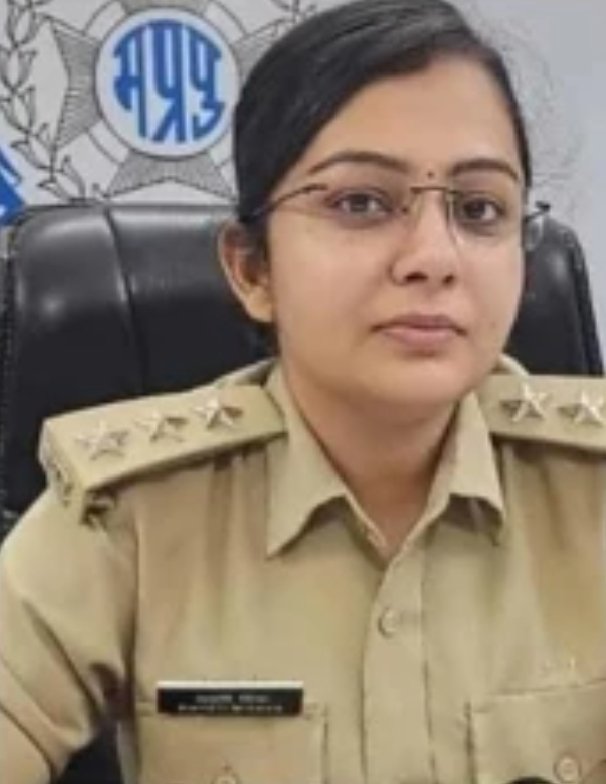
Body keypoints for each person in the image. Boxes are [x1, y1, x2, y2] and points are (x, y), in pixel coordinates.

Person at [2, 1, 606, 782]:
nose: (434, 256)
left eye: (479, 209)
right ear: (252, 269)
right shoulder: (132, 516)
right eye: (361, 203)